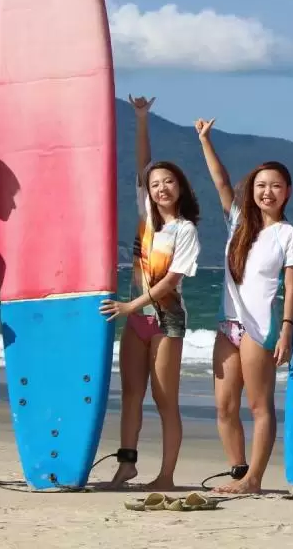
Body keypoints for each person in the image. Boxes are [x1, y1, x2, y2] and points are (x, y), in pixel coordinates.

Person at [194, 117, 293, 494]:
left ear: (287, 191)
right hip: (229, 325)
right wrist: (205, 140)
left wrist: (287, 328)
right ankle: (239, 472)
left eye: (275, 186)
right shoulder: (239, 223)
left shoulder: (290, 235)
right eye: (261, 186)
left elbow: (292, 287)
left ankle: (254, 479)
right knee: (224, 408)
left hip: (261, 328)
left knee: (260, 407)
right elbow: (221, 182)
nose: (267, 192)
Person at [100, 95, 201, 492]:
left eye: (168, 182)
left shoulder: (186, 230)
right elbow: (143, 167)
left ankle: (167, 475)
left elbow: (170, 281)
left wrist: (131, 305)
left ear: (179, 187)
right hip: (136, 320)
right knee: (130, 396)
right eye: (156, 184)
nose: (160, 188)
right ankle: (126, 467)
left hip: (165, 322)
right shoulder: (147, 220)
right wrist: (141, 119)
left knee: (164, 400)